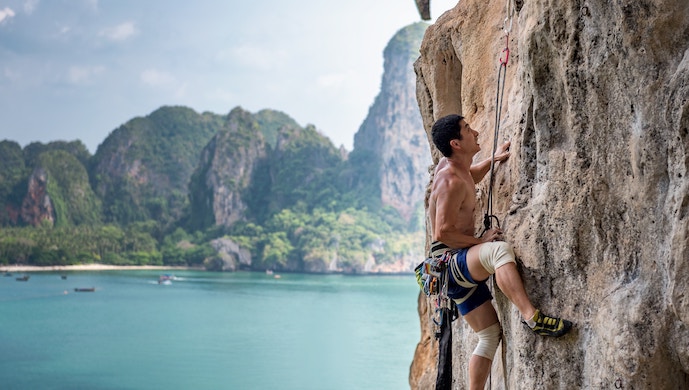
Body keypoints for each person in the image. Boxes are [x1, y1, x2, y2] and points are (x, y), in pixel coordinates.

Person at [428, 114, 572, 389]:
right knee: (498, 252)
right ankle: (532, 317)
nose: (476, 131)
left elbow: (470, 176)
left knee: (489, 334)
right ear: (456, 143)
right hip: (449, 263)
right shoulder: (448, 181)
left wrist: (491, 161)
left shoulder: (456, 168)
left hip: (453, 270)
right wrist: (481, 241)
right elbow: (442, 232)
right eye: (468, 129)